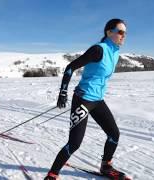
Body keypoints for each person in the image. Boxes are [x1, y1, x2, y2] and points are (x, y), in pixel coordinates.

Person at [45, 19, 131, 180]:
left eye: (125, 32)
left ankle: (106, 166)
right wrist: (63, 92)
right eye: (120, 32)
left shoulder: (115, 52)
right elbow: (70, 67)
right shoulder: (99, 50)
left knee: (114, 134)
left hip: (97, 100)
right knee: (74, 143)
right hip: (83, 99)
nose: (123, 35)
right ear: (109, 32)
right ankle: (52, 175)